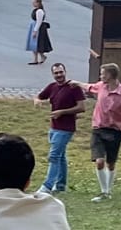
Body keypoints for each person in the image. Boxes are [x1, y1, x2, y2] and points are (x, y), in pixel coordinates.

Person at [84, 64, 121, 202]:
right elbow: (89, 86)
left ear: (110, 75)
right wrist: (74, 83)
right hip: (98, 129)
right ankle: (104, 192)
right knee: (99, 161)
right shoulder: (101, 86)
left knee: (111, 164)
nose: (100, 77)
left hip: (115, 131)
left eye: (103, 74)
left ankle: (109, 190)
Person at [36, 63, 87, 193]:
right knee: (61, 156)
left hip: (66, 128)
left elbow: (81, 107)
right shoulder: (52, 87)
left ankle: (47, 186)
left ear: (65, 72)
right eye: (56, 73)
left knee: (54, 156)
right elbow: (40, 96)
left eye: (61, 72)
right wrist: (37, 100)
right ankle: (60, 185)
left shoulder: (73, 87)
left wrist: (62, 112)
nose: (59, 75)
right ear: (53, 74)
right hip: (54, 126)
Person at [27, 0, 52, 65]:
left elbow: (39, 22)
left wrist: (35, 31)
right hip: (36, 27)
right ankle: (41, 57)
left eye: (34, 2)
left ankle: (37, 59)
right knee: (35, 44)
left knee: (36, 44)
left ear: (38, 3)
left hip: (39, 29)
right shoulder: (36, 10)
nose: (33, 3)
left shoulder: (39, 11)